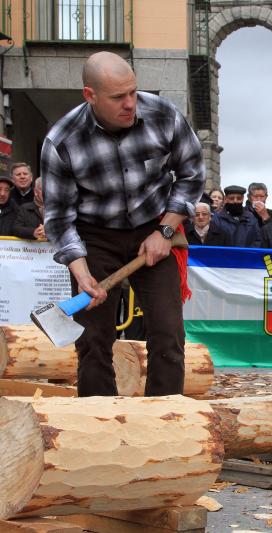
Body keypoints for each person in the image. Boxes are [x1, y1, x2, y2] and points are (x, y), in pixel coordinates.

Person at [41, 51, 205, 397]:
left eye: (133, 92)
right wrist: (81, 271)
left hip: (155, 227)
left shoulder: (163, 115)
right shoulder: (63, 141)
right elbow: (59, 217)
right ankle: (100, 421)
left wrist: (166, 230)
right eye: (118, 97)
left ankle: (166, 420)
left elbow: (192, 176)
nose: (130, 104)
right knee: (93, 339)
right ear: (91, 96)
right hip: (95, 237)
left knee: (168, 334)